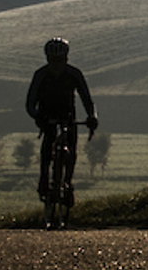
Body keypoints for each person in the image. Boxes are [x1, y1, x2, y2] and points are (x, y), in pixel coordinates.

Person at [24, 37, 98, 204]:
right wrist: (37, 116)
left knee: (71, 148)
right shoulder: (40, 75)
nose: (56, 64)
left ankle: (68, 184)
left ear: (66, 59)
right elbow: (30, 102)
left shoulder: (74, 74)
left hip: (68, 116)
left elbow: (87, 99)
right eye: (53, 60)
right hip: (47, 116)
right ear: (48, 59)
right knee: (48, 143)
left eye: (60, 60)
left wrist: (92, 116)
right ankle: (44, 178)